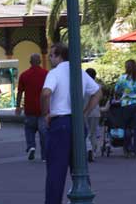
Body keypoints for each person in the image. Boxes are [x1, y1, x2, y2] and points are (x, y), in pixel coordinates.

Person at [41, 43, 102, 204]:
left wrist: (46, 113)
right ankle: (85, 196)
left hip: (60, 121)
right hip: (77, 121)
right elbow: (97, 92)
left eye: (52, 56)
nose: (50, 59)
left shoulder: (54, 73)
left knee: (56, 170)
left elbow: (46, 93)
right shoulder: (79, 72)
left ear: (59, 56)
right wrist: (85, 112)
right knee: (79, 167)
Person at [15, 53, 48, 161]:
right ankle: (44, 156)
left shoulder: (24, 75)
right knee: (44, 134)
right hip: (43, 109)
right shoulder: (46, 74)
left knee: (29, 129)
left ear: (30, 62)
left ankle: (31, 146)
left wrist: (18, 106)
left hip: (29, 109)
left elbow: (20, 92)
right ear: (40, 62)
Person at [115, 59, 136, 158]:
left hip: (127, 104)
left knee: (127, 128)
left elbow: (117, 89)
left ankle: (127, 148)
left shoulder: (123, 78)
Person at [84, 68, 102, 162]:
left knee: (85, 132)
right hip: (96, 112)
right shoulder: (98, 86)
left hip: (85, 111)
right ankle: (94, 152)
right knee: (93, 133)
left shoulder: (84, 86)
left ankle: (88, 149)